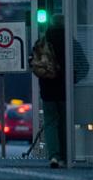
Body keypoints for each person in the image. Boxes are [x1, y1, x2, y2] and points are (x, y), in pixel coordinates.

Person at [34, 15, 89, 168]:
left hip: (47, 91)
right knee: (65, 122)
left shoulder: (42, 43)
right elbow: (84, 65)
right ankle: (65, 156)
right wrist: (73, 79)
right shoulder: (71, 43)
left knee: (51, 122)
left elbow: (35, 66)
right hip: (66, 91)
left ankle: (54, 156)